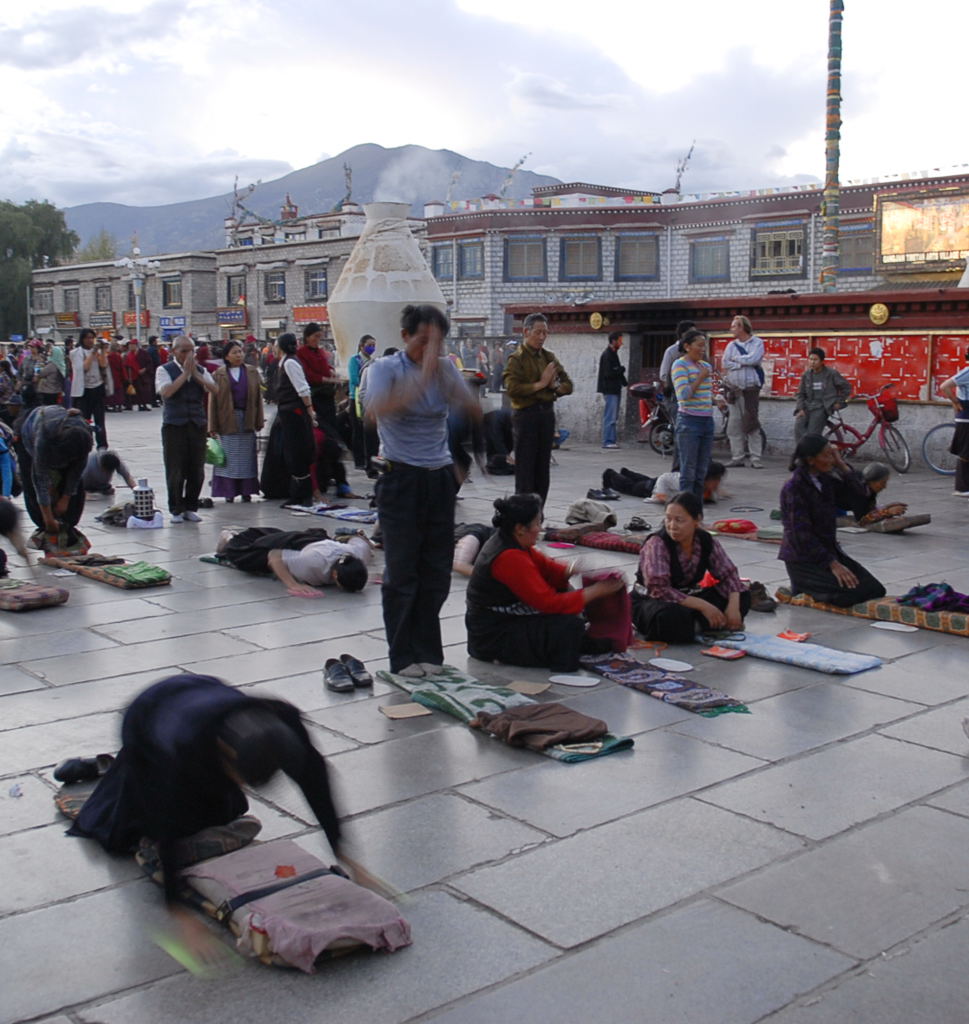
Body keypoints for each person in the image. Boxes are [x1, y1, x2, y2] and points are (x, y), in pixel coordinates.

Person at [68, 674, 343, 963]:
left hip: (203, 694)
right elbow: (166, 822)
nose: (243, 785)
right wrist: (180, 911)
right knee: (141, 826)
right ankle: (116, 786)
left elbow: (315, 779)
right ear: (225, 752)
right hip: (146, 716)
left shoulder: (283, 721)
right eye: (240, 777)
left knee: (224, 808)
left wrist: (341, 849)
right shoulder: (178, 750)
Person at [366, 304, 479, 676]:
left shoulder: (445, 367)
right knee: (402, 571)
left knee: (435, 570)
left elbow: (471, 409)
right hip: (400, 477)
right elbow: (376, 410)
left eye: (438, 341)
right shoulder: (385, 369)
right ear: (404, 337)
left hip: (439, 476)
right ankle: (402, 656)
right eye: (423, 341)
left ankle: (429, 652)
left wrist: (454, 383)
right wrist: (422, 375)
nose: (431, 348)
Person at [466, 493, 624, 670]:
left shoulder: (515, 542)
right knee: (568, 625)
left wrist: (575, 569)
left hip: (503, 623)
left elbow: (548, 568)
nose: (540, 529)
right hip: (492, 636)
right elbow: (548, 602)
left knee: (567, 596)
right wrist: (596, 591)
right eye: (537, 524)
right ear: (520, 528)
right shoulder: (509, 557)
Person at [779, 434, 886, 606]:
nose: (831, 460)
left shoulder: (826, 480)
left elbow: (859, 498)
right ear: (811, 460)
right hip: (804, 559)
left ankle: (818, 586)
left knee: (874, 589)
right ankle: (804, 587)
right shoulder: (794, 487)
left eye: (832, 454)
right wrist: (833, 564)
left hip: (829, 552)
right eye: (827, 455)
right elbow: (800, 535)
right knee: (849, 596)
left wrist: (842, 466)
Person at [633, 490, 750, 643]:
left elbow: (729, 574)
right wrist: (703, 606)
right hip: (652, 600)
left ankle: (697, 625)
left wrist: (733, 606)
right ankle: (703, 624)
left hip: (689, 597)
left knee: (743, 596)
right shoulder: (657, 543)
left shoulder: (705, 540)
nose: (672, 526)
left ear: (697, 520)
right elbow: (659, 589)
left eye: (679, 520)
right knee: (670, 616)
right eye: (668, 519)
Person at [503, 312, 573, 505]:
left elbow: (568, 384)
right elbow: (513, 389)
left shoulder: (549, 357)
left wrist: (554, 387)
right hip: (526, 417)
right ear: (526, 332)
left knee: (543, 469)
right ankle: (523, 515)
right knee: (525, 469)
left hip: (546, 415)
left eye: (545, 333)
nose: (542, 337)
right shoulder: (516, 359)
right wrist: (541, 384)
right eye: (538, 332)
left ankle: (538, 515)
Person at [155, 335, 218, 523]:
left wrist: (196, 375)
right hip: (174, 424)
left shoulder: (200, 370)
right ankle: (176, 508)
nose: (188, 354)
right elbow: (166, 392)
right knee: (175, 468)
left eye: (192, 350)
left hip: (197, 423)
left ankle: (191, 506)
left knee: (196, 468)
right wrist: (184, 374)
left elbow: (215, 389)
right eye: (184, 351)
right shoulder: (164, 370)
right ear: (174, 352)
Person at [217, 526, 371, 597]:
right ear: (335, 575)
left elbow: (358, 539)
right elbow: (274, 556)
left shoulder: (358, 554)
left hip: (317, 542)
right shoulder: (312, 563)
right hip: (288, 544)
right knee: (243, 556)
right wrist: (293, 584)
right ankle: (229, 536)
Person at [14, 405, 93, 535]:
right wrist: (48, 518)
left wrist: (66, 498)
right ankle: (44, 525)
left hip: (63, 441)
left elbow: (76, 472)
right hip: (31, 437)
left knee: (73, 497)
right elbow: (40, 478)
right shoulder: (45, 434)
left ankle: (68, 525)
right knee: (33, 489)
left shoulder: (84, 438)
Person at [208, 339, 264, 503]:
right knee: (229, 458)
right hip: (227, 420)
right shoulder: (219, 374)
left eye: (240, 352)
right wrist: (212, 425)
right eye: (234, 352)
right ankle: (229, 491)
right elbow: (213, 401)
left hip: (247, 418)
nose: (239, 355)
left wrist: (258, 420)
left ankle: (247, 490)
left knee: (247, 458)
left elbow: (258, 399)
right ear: (226, 356)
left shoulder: (252, 372)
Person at [266, 333, 317, 506]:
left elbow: (302, 389)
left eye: (275, 344)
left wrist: (309, 410)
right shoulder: (283, 363)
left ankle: (304, 494)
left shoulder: (290, 363)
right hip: (286, 412)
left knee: (297, 452)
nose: (273, 347)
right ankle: (297, 492)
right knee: (291, 452)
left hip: (294, 411)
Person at [671, 328, 716, 499]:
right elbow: (683, 395)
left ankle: (697, 510)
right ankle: (684, 507)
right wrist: (700, 377)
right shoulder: (679, 365)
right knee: (688, 470)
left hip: (707, 420)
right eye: (699, 346)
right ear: (687, 346)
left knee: (701, 470)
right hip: (689, 421)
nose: (703, 350)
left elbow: (707, 393)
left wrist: (716, 400)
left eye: (704, 346)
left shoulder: (706, 366)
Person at [722, 314, 765, 468]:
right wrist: (741, 363)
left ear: (742, 327)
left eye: (734, 326)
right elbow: (725, 362)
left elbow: (754, 359)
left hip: (750, 389)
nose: (731, 329)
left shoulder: (757, 342)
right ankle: (737, 456)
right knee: (734, 425)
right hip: (734, 389)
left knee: (751, 423)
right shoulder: (731, 346)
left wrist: (737, 360)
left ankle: (755, 458)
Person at [658, 320, 696, 472]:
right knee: (682, 433)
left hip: (694, 400)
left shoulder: (696, 353)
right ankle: (677, 469)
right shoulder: (672, 352)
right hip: (676, 398)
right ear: (683, 334)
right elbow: (664, 375)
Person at [794, 347, 851, 441]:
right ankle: (802, 453)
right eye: (811, 359)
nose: (812, 362)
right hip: (807, 406)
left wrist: (839, 402)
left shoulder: (831, 374)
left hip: (822, 407)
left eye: (815, 360)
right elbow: (800, 393)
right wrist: (800, 408)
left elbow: (846, 388)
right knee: (798, 427)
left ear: (822, 361)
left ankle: (812, 454)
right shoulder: (806, 375)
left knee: (813, 433)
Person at [603, 461, 726, 504]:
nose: (718, 483)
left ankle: (626, 472)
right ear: (707, 478)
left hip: (656, 482)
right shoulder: (685, 482)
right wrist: (660, 497)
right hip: (653, 488)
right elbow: (665, 478)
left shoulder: (706, 488)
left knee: (644, 479)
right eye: (716, 480)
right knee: (630, 487)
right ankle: (610, 475)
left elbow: (710, 498)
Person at [70, 329, 109, 449]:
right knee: (84, 419)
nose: (90, 340)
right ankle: (86, 443)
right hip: (83, 391)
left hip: (97, 388)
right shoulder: (76, 352)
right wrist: (93, 353)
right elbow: (84, 368)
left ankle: (102, 444)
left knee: (100, 420)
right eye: (87, 338)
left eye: (92, 337)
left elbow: (103, 365)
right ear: (82, 339)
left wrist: (102, 351)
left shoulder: (96, 351)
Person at [940, 344, 969, 496]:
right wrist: (955, 402)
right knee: (965, 453)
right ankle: (962, 488)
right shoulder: (967, 372)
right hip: (966, 418)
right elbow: (945, 386)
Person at [347, 335, 375, 470]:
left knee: (367, 433)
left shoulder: (372, 361)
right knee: (357, 431)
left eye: (373, 345)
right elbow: (353, 379)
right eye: (369, 345)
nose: (372, 348)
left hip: (368, 399)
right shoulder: (355, 360)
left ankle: (367, 458)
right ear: (362, 345)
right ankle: (359, 460)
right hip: (356, 398)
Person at [597, 331, 628, 449]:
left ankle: (612, 440)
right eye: (620, 341)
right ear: (613, 341)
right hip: (609, 389)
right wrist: (620, 370)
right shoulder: (607, 354)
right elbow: (608, 373)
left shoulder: (613, 354)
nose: (621, 343)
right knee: (610, 416)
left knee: (613, 416)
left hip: (615, 388)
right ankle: (608, 440)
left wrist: (625, 383)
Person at [124, 340, 153, 411]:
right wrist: (129, 376)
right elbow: (128, 366)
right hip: (134, 375)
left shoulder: (143, 353)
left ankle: (144, 404)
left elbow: (149, 363)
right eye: (129, 345)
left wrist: (145, 369)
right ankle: (139, 405)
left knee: (144, 391)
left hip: (143, 375)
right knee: (137, 391)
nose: (130, 347)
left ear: (136, 345)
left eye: (132, 345)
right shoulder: (128, 355)